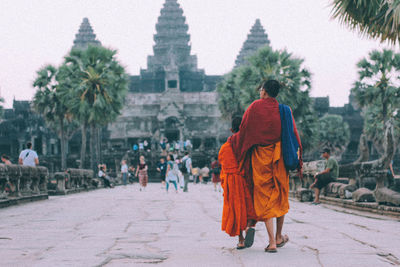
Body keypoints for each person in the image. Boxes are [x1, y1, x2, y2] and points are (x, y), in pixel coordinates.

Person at [229, 80, 302, 252]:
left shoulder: (254, 107)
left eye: (261, 89)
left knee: (264, 197)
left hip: (260, 158)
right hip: (279, 157)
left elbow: (244, 131)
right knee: (280, 195)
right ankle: (278, 235)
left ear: (264, 92)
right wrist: (299, 159)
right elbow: (294, 134)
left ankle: (272, 241)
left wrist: (233, 147)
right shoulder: (285, 110)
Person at [219, 116, 258, 249]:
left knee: (236, 210)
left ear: (231, 129)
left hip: (232, 183)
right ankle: (248, 227)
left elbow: (224, 168)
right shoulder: (248, 144)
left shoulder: (225, 147)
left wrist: (225, 183)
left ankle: (241, 240)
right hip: (246, 180)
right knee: (248, 207)